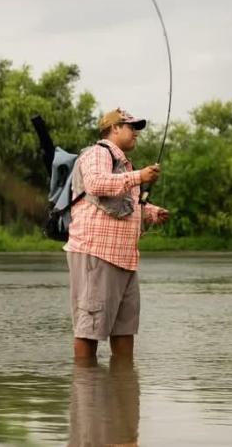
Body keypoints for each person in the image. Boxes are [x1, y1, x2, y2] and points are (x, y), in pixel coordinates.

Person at [64, 107, 170, 360]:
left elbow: (121, 207)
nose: (136, 134)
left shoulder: (122, 164)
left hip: (124, 259)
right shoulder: (98, 153)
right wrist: (139, 176)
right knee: (89, 329)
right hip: (96, 253)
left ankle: (122, 391)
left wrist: (152, 213)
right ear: (114, 128)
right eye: (132, 128)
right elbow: (96, 184)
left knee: (125, 331)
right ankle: (86, 392)